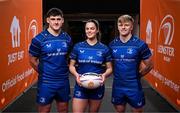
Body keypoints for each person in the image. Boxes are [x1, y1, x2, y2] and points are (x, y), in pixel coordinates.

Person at [29, 8, 72, 113]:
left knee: (63, 109)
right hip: (46, 82)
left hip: (63, 81)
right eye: (53, 19)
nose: (56, 22)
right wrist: (43, 72)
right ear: (47, 20)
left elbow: (68, 56)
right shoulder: (38, 39)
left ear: (62, 20)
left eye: (58, 19)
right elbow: (32, 60)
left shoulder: (67, 38)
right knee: (45, 110)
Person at [109, 14, 153, 113]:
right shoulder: (112, 45)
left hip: (134, 86)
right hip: (118, 85)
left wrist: (138, 75)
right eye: (120, 25)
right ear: (118, 26)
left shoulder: (140, 44)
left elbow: (150, 65)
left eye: (126, 25)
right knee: (119, 110)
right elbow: (109, 64)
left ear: (131, 27)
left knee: (137, 111)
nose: (123, 27)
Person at [69, 19, 112, 113]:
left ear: (97, 30)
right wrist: (76, 75)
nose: (89, 31)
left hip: (97, 85)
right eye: (87, 28)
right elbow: (71, 66)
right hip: (81, 84)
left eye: (92, 28)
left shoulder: (104, 48)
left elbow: (109, 68)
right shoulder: (78, 47)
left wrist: (104, 75)